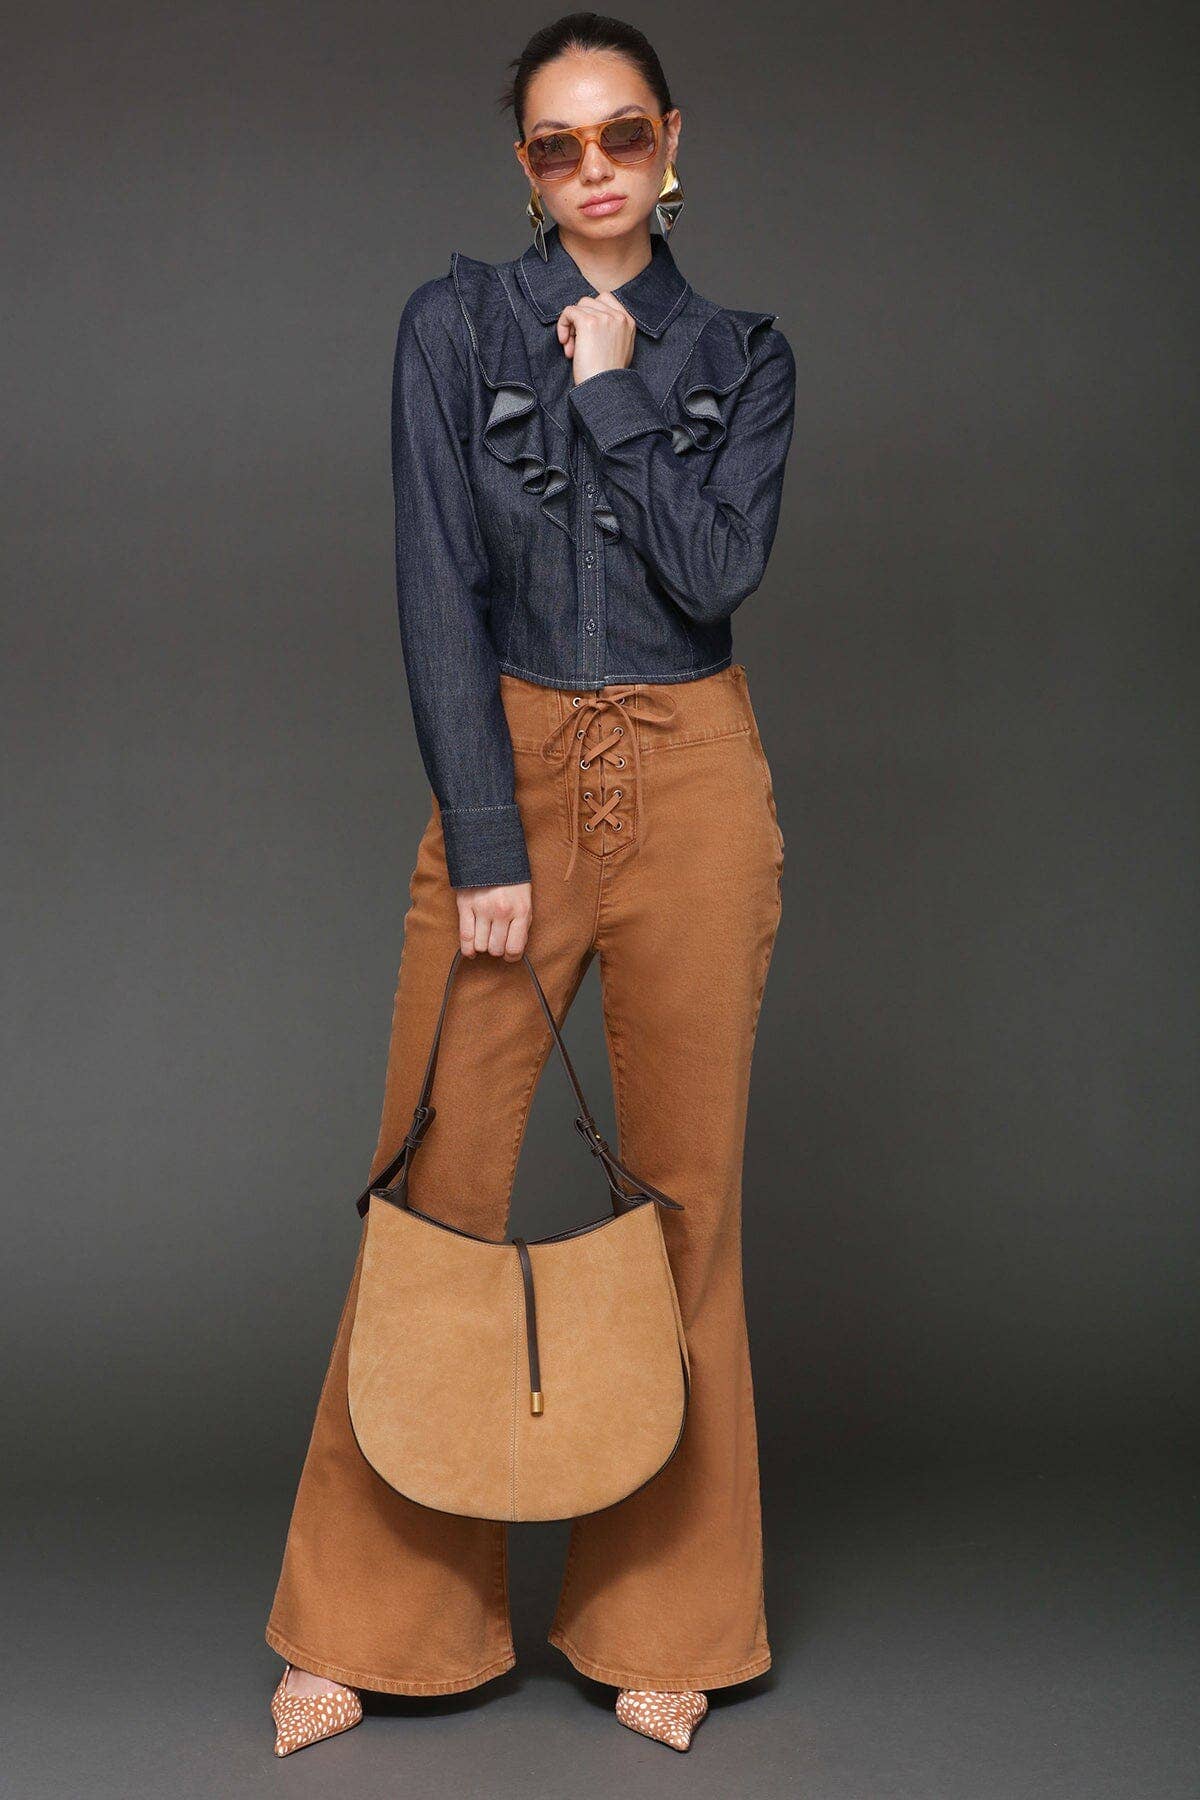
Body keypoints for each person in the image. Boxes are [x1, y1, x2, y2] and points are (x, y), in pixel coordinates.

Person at [264, 10, 795, 1757]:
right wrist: (486, 839)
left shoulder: (742, 350)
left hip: (698, 778)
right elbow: (435, 587)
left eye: (620, 135)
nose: (593, 171)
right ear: (522, 164)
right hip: (515, 770)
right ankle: (376, 1618)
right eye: (556, 146)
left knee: (684, 1201)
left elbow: (718, 573)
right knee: (431, 1188)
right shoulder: (447, 328)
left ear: (670, 140)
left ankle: (673, 1617)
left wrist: (616, 387)